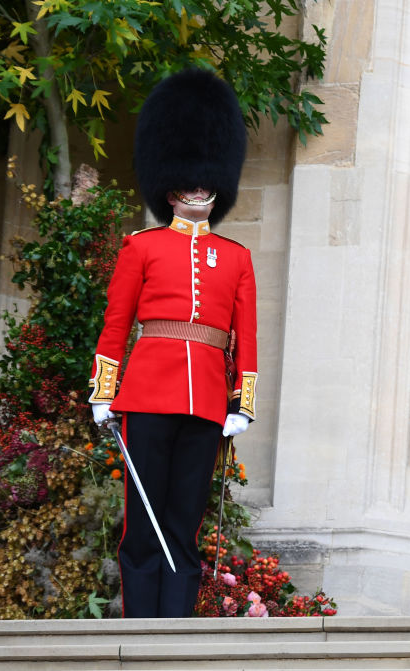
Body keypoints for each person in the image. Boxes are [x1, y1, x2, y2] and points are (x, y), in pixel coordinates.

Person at [88, 69, 257, 618]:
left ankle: (177, 631)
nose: (198, 189)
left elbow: (245, 338)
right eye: (188, 181)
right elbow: (117, 324)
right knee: (144, 523)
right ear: (171, 185)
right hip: (145, 394)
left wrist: (242, 404)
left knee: (184, 521)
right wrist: (103, 390)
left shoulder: (237, 257)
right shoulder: (141, 248)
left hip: (207, 401)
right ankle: (139, 628)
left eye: (206, 181)